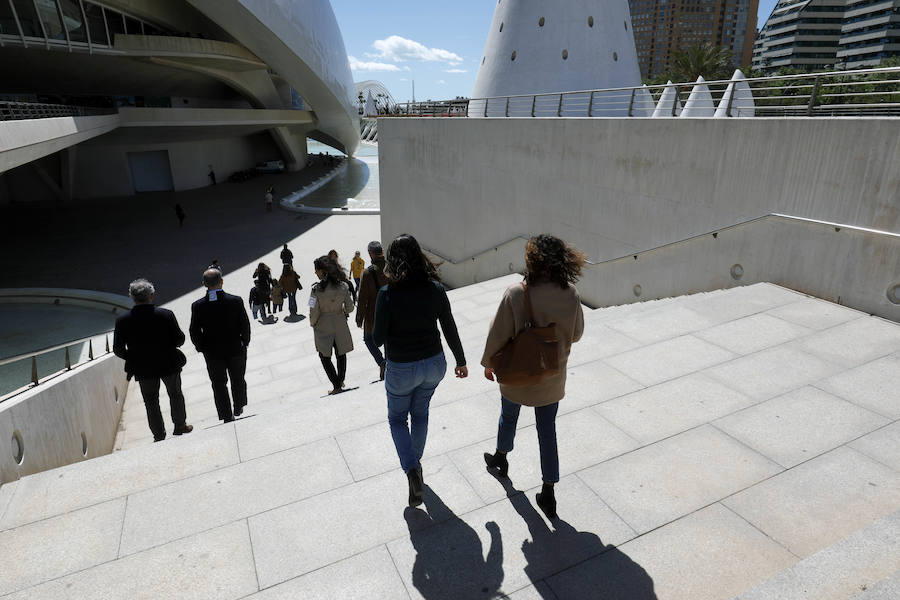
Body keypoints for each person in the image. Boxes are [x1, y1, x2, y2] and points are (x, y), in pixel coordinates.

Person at [481, 234, 585, 519]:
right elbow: (576, 334)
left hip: (517, 376)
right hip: (551, 377)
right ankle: (549, 491)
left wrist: (488, 363)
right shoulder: (571, 293)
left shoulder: (517, 293)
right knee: (547, 430)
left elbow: (498, 334)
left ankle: (501, 459)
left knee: (509, 416)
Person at [372, 234, 468, 507]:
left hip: (402, 368)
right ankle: (416, 464)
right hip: (434, 364)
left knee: (397, 419)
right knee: (421, 413)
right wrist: (461, 361)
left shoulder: (387, 295)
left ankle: (412, 470)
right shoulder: (435, 289)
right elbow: (449, 327)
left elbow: (377, 338)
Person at [113, 279, 193, 442]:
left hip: (143, 367)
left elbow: (118, 349)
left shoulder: (122, 320)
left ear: (132, 297)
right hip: (168, 362)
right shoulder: (165, 314)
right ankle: (180, 426)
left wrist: (133, 357)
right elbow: (179, 339)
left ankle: (158, 434)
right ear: (152, 295)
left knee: (150, 401)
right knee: (175, 394)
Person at [189, 268, 251, 423]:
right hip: (236, 347)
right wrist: (246, 341)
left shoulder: (198, 306)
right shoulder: (235, 300)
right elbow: (245, 324)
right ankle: (238, 405)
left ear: (204, 284)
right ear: (222, 281)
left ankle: (226, 414)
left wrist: (201, 347)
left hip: (212, 352)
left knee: (218, 383)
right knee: (238, 378)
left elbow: (194, 330)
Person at [309, 256, 355, 395]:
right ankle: (340, 381)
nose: (315, 273)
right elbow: (350, 307)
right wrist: (342, 312)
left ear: (322, 271)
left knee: (324, 355)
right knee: (341, 352)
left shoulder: (315, 290)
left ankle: (335, 384)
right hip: (340, 322)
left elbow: (312, 309)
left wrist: (312, 322)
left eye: (316, 270)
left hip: (323, 325)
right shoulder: (343, 286)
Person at [355, 240, 388, 379]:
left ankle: (382, 362)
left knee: (368, 339)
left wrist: (359, 318)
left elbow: (362, 298)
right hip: (393, 310)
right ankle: (390, 364)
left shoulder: (368, 273)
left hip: (374, 314)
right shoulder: (390, 266)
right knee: (388, 339)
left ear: (370, 254)